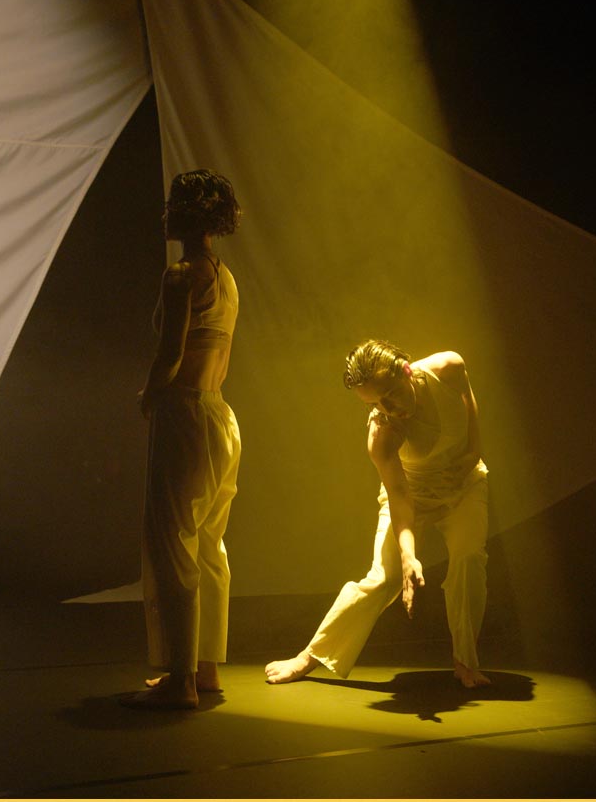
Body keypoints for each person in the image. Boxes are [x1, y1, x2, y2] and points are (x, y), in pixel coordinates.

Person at [264, 340, 492, 689]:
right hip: (413, 495)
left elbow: (469, 411)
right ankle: (310, 655)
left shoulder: (449, 369)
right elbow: (400, 499)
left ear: (406, 371)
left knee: (469, 558)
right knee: (383, 578)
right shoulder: (382, 433)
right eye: (374, 403)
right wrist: (408, 557)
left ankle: (465, 660)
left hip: (464, 486)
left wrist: (472, 454)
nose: (387, 409)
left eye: (390, 395)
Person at [125, 169, 243, 710]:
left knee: (173, 545)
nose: (166, 212)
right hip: (220, 414)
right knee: (210, 545)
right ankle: (205, 667)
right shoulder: (226, 278)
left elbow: (171, 355)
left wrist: (149, 394)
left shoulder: (181, 276)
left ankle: (182, 679)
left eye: (173, 204)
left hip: (186, 414)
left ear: (187, 214)